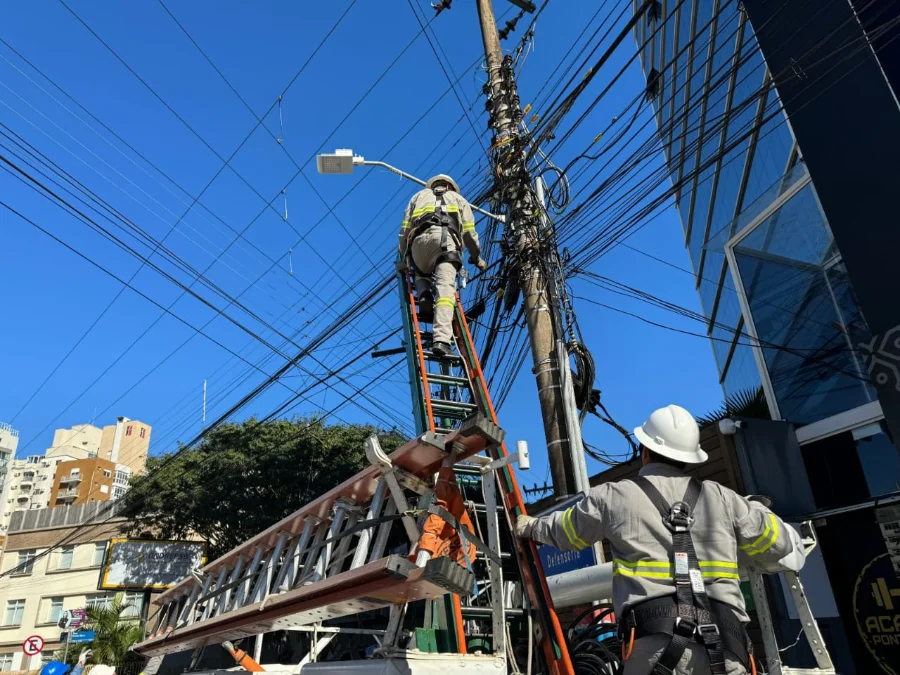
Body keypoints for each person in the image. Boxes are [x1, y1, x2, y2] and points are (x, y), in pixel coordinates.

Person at [515, 404, 805, 675]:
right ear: (689, 457)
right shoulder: (723, 498)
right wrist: (756, 508)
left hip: (653, 645)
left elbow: (565, 532)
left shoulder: (615, 496)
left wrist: (531, 527)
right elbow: (779, 544)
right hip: (727, 644)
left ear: (645, 450)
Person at [399, 175, 487, 357]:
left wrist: (403, 259)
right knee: (445, 292)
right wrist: (477, 258)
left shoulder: (418, 197)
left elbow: (404, 231)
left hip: (418, 246)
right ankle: (441, 340)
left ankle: (423, 293)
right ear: (449, 187)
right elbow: (469, 234)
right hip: (444, 243)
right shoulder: (458, 199)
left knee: (421, 272)